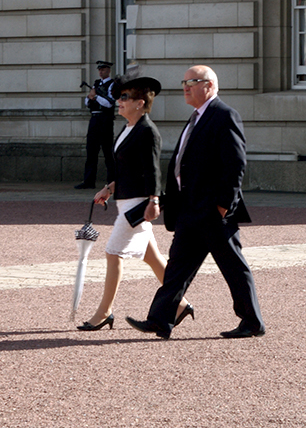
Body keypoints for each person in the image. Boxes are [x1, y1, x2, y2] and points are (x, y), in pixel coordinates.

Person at [126, 65, 265, 340]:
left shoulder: (224, 115)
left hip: (213, 210)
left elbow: (235, 163)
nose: (185, 87)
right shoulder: (196, 117)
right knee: (177, 267)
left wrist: (223, 205)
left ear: (210, 85)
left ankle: (252, 321)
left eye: (193, 81)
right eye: (184, 82)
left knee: (233, 267)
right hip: (190, 208)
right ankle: (160, 320)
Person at [77, 76, 194, 331]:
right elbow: (127, 170)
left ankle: (104, 312)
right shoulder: (129, 127)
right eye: (119, 97)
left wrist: (153, 201)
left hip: (137, 206)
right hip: (125, 200)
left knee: (113, 252)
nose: (119, 101)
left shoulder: (147, 130)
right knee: (152, 258)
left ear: (140, 103)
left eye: (124, 98)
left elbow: (152, 171)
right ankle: (181, 304)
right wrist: (109, 188)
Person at [75, 61, 117, 189]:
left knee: (108, 152)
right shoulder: (96, 84)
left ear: (108, 70)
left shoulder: (112, 84)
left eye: (103, 69)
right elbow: (87, 101)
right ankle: (88, 181)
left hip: (105, 120)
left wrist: (96, 97)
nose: (101, 72)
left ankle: (112, 182)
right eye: (99, 70)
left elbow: (109, 103)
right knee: (91, 151)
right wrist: (91, 97)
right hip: (94, 119)